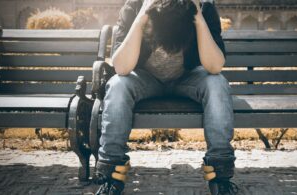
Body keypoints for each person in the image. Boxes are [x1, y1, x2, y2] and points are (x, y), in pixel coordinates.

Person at [93, 0, 237, 194]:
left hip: (188, 78)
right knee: (118, 84)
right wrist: (141, 18)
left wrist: (199, 19)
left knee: (217, 83)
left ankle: (221, 177)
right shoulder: (134, 7)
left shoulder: (204, 7)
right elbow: (121, 67)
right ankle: (110, 176)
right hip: (146, 79)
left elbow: (214, 67)